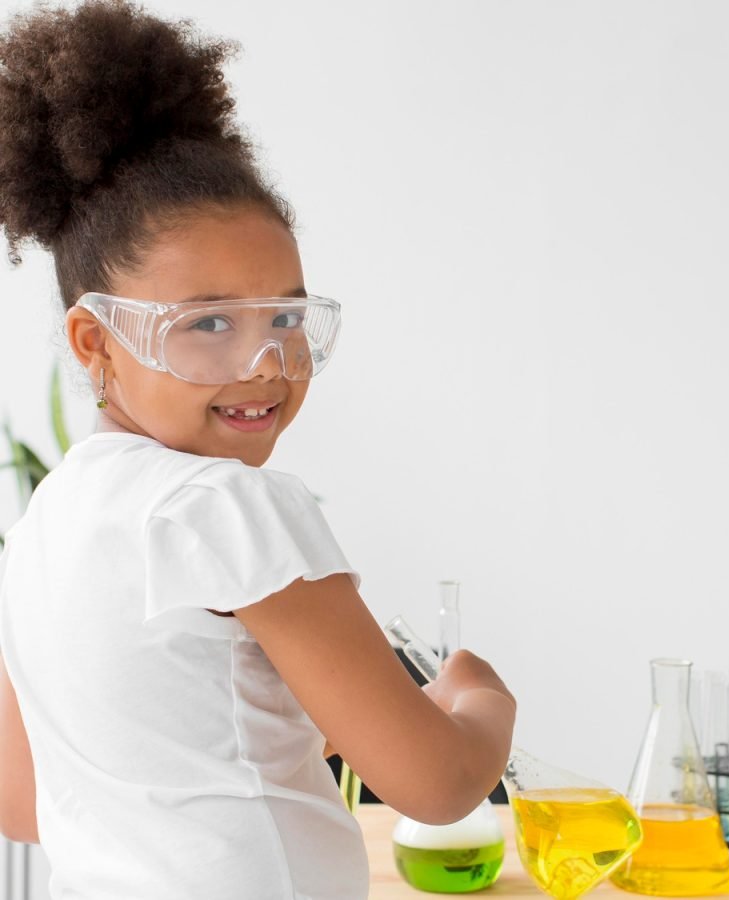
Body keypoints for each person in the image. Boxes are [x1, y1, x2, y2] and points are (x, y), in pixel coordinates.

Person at [0, 3, 516, 897]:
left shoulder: (47, 528)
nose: (266, 361)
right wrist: (479, 702)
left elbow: (26, 799)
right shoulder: (231, 506)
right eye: (207, 322)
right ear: (95, 347)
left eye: (286, 315)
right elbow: (434, 785)